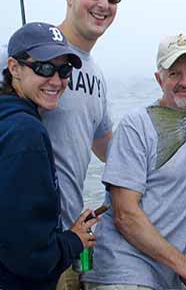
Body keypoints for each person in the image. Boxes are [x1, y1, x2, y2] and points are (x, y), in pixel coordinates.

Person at [0, 0, 122, 290]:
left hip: (68, 244)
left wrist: (155, 165)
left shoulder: (96, 76)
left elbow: (103, 143)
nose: (103, 3)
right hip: (25, 252)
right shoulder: (22, 51)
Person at [82, 33, 186, 290]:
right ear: (159, 79)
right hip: (121, 273)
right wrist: (185, 265)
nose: (185, 82)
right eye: (174, 73)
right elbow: (125, 215)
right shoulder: (136, 125)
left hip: (167, 275)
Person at [0, 22, 99, 290]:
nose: (56, 80)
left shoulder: (8, 121)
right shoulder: (26, 133)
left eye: (64, 69)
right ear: (14, 68)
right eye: (44, 68)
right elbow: (30, 255)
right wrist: (74, 240)